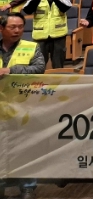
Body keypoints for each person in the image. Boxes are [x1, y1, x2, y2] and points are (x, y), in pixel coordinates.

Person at [0, 13, 44, 199]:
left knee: (25, 147)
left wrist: (11, 70)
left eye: (20, 26)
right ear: (1, 28)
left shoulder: (32, 47)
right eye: (12, 27)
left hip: (23, 106)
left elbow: (39, 69)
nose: (17, 30)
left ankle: (27, 186)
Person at [22, 0, 72, 69]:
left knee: (58, 66)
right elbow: (27, 10)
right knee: (38, 66)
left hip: (58, 36)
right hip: (40, 35)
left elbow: (65, 8)